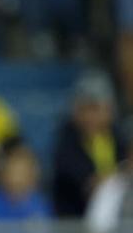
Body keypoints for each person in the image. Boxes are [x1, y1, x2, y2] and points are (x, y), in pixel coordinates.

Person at [50, 73, 126, 220]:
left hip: (118, 220)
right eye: (85, 109)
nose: (90, 117)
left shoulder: (118, 136)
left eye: (96, 109)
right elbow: (86, 184)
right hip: (74, 222)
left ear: (110, 110)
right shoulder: (66, 140)